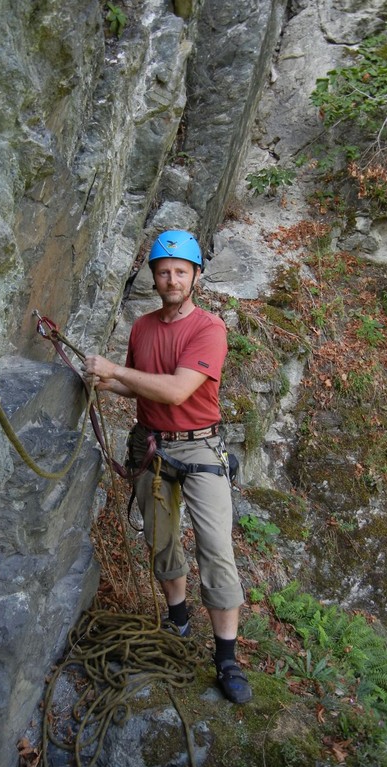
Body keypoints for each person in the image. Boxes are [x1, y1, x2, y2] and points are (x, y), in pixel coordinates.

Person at [83, 230, 252, 705]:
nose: (171, 279)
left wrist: (115, 370)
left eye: (180, 271)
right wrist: (100, 381)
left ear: (195, 276)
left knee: (216, 548)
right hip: (152, 447)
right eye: (163, 272)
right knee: (160, 539)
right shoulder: (142, 328)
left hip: (199, 450)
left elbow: (177, 390)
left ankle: (227, 658)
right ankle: (177, 621)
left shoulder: (208, 328)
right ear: (154, 279)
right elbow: (141, 388)